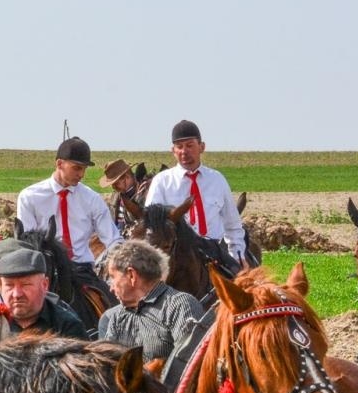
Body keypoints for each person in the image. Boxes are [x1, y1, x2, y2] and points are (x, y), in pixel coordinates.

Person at [15, 137, 121, 286]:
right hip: (45, 271)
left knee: (111, 299)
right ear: (59, 164)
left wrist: (121, 261)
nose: (82, 174)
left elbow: (113, 239)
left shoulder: (92, 199)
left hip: (82, 271)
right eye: (77, 168)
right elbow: (28, 243)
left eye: (84, 169)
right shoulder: (29, 197)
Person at [144, 120, 247, 269]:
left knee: (240, 280)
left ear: (202, 147)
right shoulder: (162, 182)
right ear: (173, 151)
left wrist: (238, 255)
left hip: (216, 253)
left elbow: (233, 225)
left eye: (189, 145)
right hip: (178, 257)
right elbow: (151, 226)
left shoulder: (217, 179)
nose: (184, 151)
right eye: (179, 147)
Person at [0, 239, 88, 346]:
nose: (17, 294)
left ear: (44, 284)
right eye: (9, 284)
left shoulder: (65, 321)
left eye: (26, 284)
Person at [95, 240, 203, 363]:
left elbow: (188, 363)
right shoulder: (115, 316)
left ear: (131, 275)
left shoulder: (180, 305)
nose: (111, 288)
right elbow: (109, 365)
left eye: (113, 277)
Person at [99, 159, 140, 231]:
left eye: (116, 183)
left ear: (127, 177)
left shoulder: (144, 195)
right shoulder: (116, 196)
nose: (113, 187)